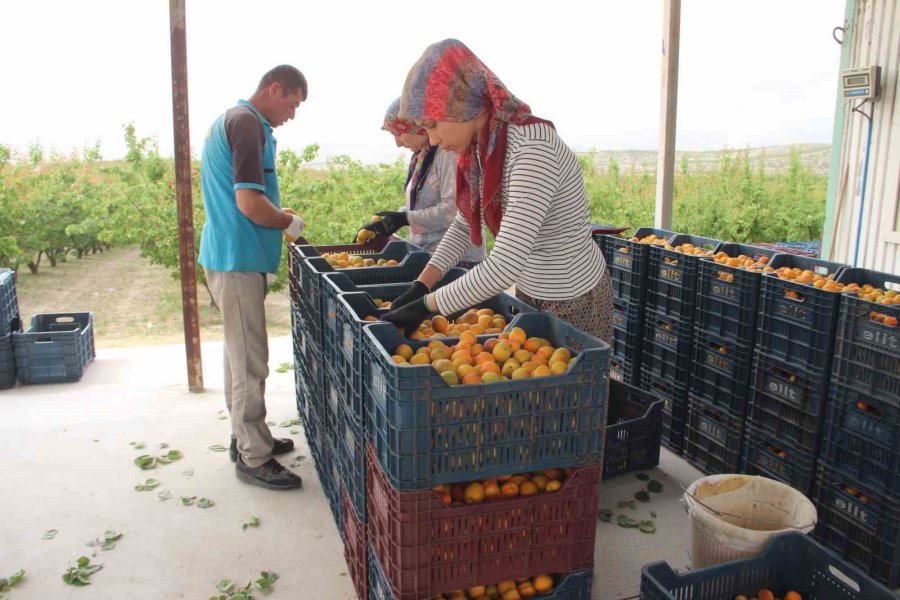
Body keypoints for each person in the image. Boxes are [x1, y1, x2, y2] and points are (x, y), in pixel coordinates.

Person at [383, 39, 613, 346]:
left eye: (433, 125)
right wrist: (421, 286)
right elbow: (465, 223)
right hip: (532, 291)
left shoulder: (531, 149)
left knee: (574, 392)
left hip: (574, 296)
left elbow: (505, 264)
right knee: (534, 388)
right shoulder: (485, 150)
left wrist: (427, 307)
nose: (434, 140)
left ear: (459, 104)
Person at [198, 65, 308, 491]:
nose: (292, 114)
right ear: (274, 88)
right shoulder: (247, 124)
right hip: (237, 257)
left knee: (236, 354)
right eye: (292, 104)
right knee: (250, 361)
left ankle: (245, 438)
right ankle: (254, 458)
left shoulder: (232, 120)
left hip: (228, 254)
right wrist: (288, 221)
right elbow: (249, 202)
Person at [356, 98, 485, 268]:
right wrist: (391, 220)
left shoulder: (447, 153)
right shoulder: (422, 156)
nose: (398, 143)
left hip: (457, 261)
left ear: (415, 125)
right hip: (430, 258)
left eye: (398, 133)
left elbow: (454, 210)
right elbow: (419, 207)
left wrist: (404, 219)